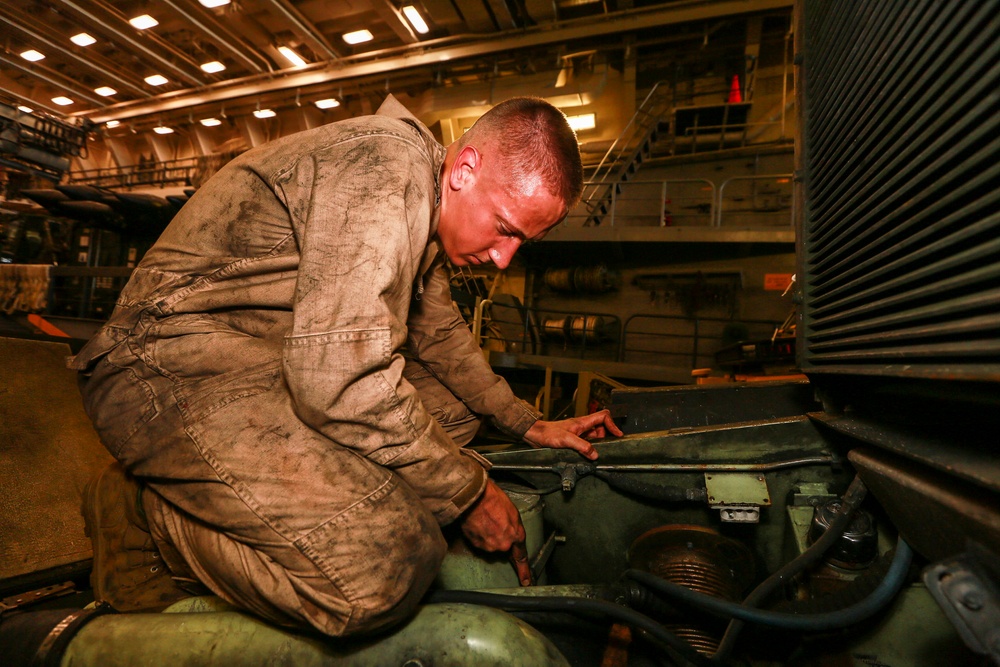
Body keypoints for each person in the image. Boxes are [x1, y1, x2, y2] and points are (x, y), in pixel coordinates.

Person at [72, 94, 622, 637]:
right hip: (161, 367)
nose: (505, 257)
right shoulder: (383, 170)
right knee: (382, 573)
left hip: (256, 362)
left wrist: (524, 421)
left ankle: (322, 499)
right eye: (505, 227)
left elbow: (439, 333)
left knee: (452, 415)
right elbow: (338, 377)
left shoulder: (425, 196)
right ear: (466, 169)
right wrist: (466, 492)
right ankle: (149, 515)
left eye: (522, 242)